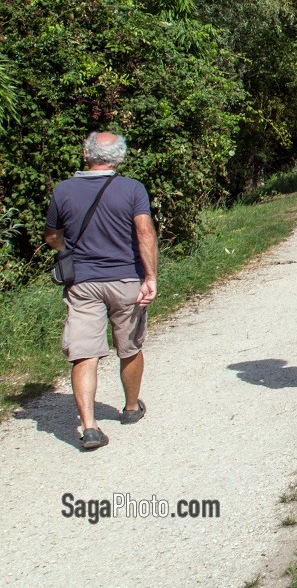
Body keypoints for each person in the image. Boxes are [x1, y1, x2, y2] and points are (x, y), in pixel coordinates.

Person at [43, 132, 157, 450]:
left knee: (84, 353)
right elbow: (144, 231)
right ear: (119, 158)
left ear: (85, 154)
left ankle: (90, 427)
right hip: (126, 279)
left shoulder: (63, 191)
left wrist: (68, 249)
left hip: (82, 283)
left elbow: (52, 237)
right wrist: (150, 276)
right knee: (129, 346)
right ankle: (131, 407)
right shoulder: (132, 189)